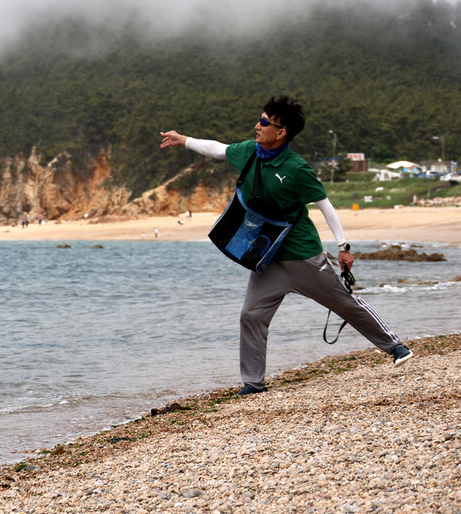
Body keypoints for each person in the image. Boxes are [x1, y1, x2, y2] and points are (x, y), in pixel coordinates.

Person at [160, 96, 413, 396]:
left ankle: (395, 347)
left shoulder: (296, 168)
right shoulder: (249, 153)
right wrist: (183, 140)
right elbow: (217, 149)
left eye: (265, 122)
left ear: (281, 132)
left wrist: (343, 246)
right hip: (267, 257)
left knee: (344, 303)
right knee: (251, 315)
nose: (258, 125)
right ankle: (254, 383)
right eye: (260, 119)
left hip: (303, 256)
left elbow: (325, 205)